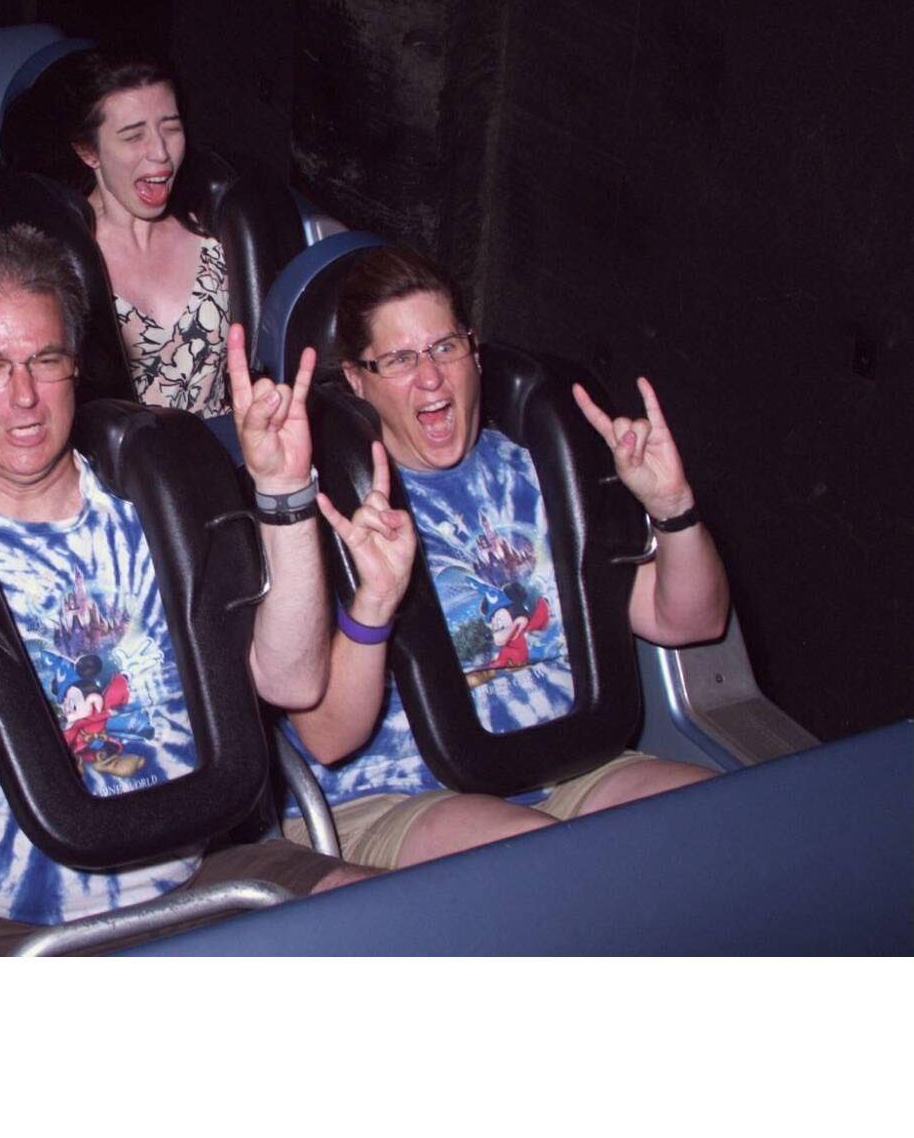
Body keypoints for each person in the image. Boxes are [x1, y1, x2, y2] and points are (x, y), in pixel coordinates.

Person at [0, 225, 364, 955]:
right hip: (14, 930)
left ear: (75, 363)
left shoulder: (164, 513)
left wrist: (283, 491)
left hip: (210, 875)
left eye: (45, 360)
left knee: (392, 922)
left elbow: (292, 681)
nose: (23, 398)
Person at [286, 244, 729, 872]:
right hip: (398, 796)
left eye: (445, 347)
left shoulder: (538, 471)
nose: (431, 378)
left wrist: (672, 508)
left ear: (474, 352)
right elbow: (329, 738)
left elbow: (691, 621)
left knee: (726, 818)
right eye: (401, 359)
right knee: (541, 866)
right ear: (357, 380)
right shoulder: (328, 513)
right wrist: (374, 605)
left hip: (570, 769)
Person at [54, 50, 231, 417]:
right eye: (134, 136)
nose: (161, 153)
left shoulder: (217, 233)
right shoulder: (62, 260)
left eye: (171, 128)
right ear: (88, 151)